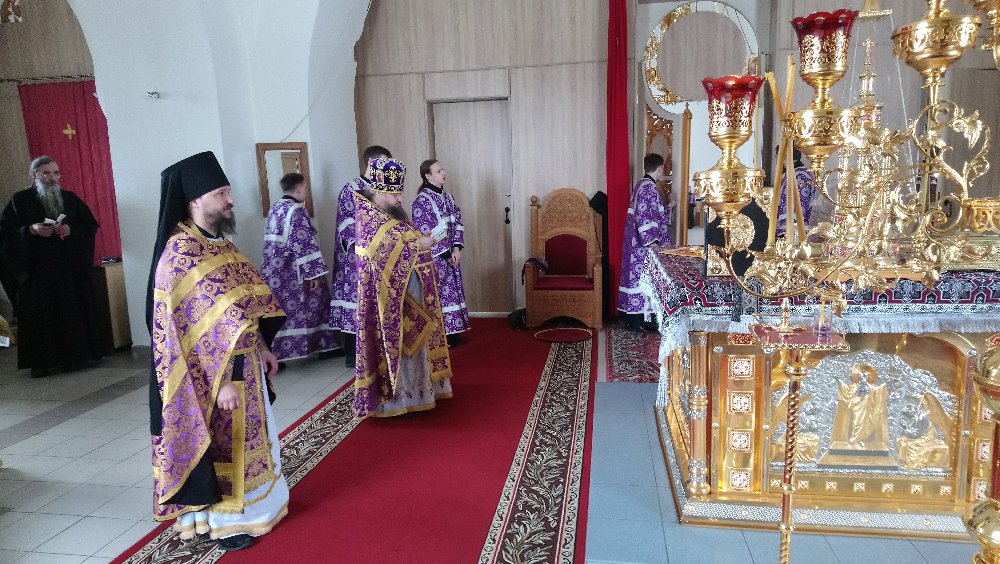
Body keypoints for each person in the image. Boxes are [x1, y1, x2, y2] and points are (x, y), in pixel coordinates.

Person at [147, 151, 289, 552]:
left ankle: (259, 508)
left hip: (247, 365)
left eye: (228, 192)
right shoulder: (180, 254)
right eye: (221, 193)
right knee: (225, 446)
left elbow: (246, 304)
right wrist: (221, 382)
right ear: (195, 199)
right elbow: (183, 335)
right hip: (211, 382)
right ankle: (226, 524)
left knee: (252, 442)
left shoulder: (219, 245)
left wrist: (262, 346)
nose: (230, 200)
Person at [353, 157, 453, 418]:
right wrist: (419, 244)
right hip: (388, 299)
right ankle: (397, 399)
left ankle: (420, 392)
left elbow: (402, 236)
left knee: (417, 339)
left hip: (409, 288)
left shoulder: (389, 211)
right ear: (378, 190)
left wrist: (421, 239)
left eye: (400, 193)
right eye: (394, 194)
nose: (399, 199)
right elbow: (380, 250)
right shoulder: (368, 216)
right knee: (399, 343)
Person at [0, 156, 102, 377]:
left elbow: (89, 225)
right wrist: (30, 230)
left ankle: (74, 358)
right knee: (40, 317)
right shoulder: (20, 200)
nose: (52, 178)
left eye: (56, 173)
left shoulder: (69, 198)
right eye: (46, 173)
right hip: (36, 272)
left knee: (70, 313)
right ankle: (42, 363)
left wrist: (70, 230)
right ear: (34, 175)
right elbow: (5, 233)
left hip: (67, 269)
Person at [261, 172, 341, 363]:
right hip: (293, 271)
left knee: (279, 312)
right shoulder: (296, 210)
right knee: (316, 303)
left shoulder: (275, 208)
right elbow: (303, 243)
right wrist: (313, 274)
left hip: (274, 271)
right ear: (298, 189)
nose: (306, 191)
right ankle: (325, 346)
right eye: (305, 187)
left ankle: (275, 354)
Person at [330, 145, 392, 367]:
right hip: (357, 259)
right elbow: (346, 224)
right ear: (372, 163)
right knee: (357, 303)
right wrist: (366, 247)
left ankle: (377, 351)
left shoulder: (383, 188)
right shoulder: (352, 189)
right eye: (384, 163)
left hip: (382, 255)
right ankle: (353, 355)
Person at [411, 159, 470, 347]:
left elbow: (457, 223)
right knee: (438, 295)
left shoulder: (449, 197)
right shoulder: (421, 201)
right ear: (428, 176)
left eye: (442, 169)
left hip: (451, 255)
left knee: (452, 293)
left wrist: (456, 248)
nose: (443, 173)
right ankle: (439, 337)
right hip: (435, 258)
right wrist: (446, 253)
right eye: (438, 171)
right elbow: (425, 231)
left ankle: (452, 334)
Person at [617, 153, 672, 332]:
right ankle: (639, 322)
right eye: (663, 168)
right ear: (659, 168)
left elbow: (655, 213)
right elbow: (644, 216)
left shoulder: (641, 185)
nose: (663, 171)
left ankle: (633, 319)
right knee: (642, 280)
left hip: (635, 242)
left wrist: (670, 206)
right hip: (643, 245)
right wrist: (652, 242)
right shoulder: (649, 188)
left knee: (635, 280)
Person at [775, 146, 817, 237]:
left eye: (777, 157)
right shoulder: (800, 173)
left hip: (792, 232)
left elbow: (796, 209)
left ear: (784, 156)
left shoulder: (799, 176)